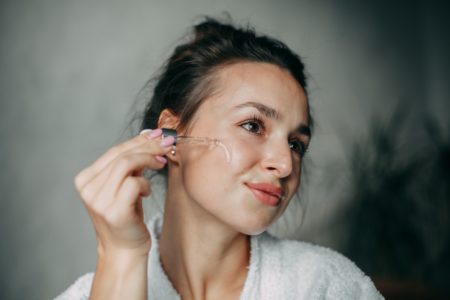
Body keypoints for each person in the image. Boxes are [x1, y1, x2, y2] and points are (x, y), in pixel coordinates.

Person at [55, 17, 383, 299]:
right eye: (253, 125)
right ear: (170, 136)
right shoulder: (89, 295)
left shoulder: (324, 286)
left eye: (296, 144)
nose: (285, 165)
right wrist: (122, 257)